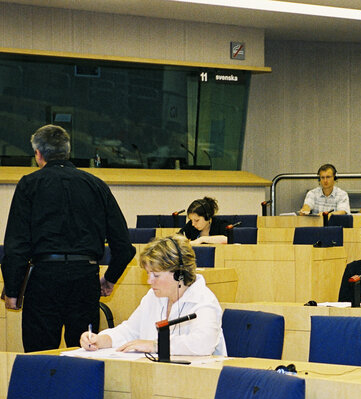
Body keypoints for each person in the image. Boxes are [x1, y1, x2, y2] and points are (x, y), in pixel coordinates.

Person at [2, 124, 135, 352]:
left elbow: (17, 244)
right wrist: (110, 279)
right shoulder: (96, 185)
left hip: (43, 279)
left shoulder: (29, 184)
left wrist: (13, 289)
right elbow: (123, 246)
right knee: (85, 353)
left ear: (38, 154)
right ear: (67, 151)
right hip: (85, 279)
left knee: (40, 356)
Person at [80, 235, 226, 355]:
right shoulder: (153, 296)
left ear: (179, 274)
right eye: (148, 274)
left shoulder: (204, 301)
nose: (149, 281)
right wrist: (100, 339)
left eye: (156, 275)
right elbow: (130, 331)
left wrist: (154, 345)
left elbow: (202, 344)